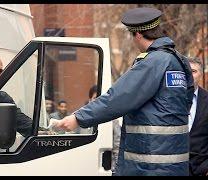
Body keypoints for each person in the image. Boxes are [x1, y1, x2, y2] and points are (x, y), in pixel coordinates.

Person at [55, 7, 194, 176]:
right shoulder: (178, 60)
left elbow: (118, 98)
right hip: (174, 164)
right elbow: (186, 102)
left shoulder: (154, 61)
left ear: (138, 35)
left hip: (150, 165)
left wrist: (78, 118)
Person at [88, 85, 121, 174]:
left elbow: (117, 145)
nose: (97, 101)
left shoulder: (113, 120)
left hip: (105, 168)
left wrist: (115, 169)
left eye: (100, 98)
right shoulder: (82, 119)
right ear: (90, 100)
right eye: (95, 98)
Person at [188, 57, 208, 176]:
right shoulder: (170, 100)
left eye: (194, 71)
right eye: (187, 70)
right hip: (173, 168)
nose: (189, 74)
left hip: (200, 169)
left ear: (201, 74)